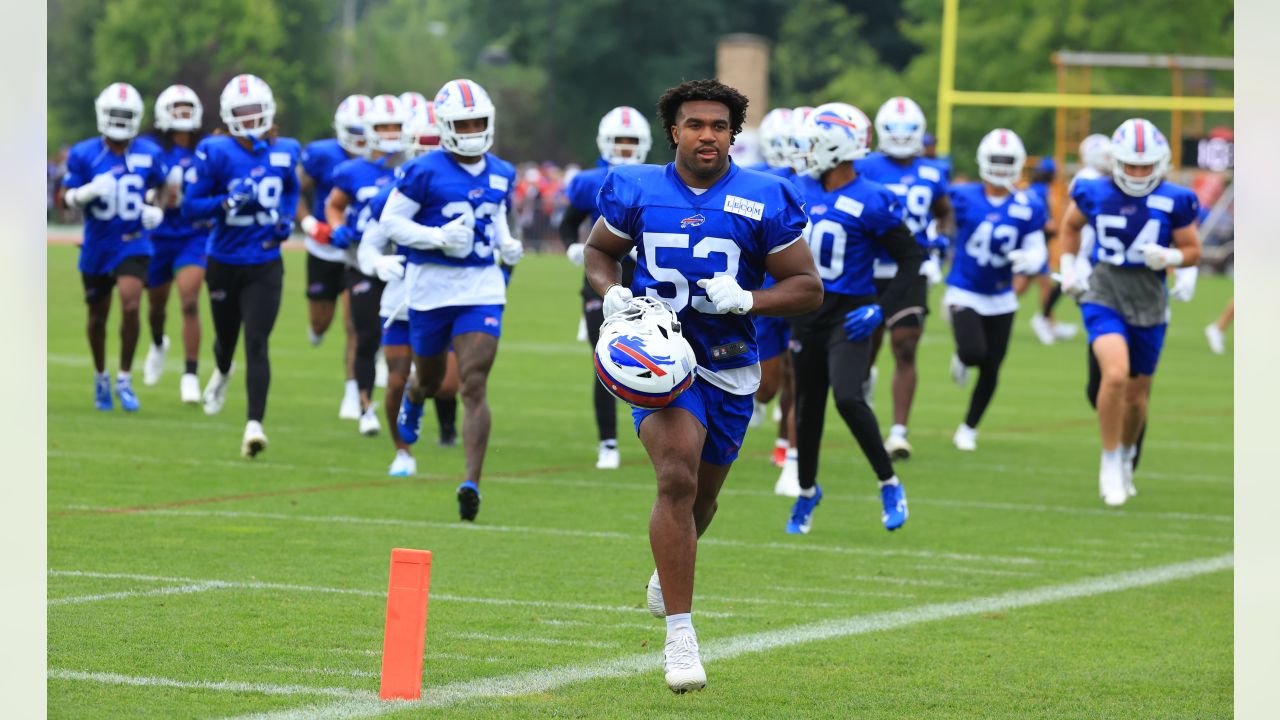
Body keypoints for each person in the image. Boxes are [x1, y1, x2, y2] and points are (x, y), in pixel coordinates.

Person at [585, 78, 822, 693]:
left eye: (718, 126)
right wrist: (612, 294)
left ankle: (669, 577)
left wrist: (749, 296)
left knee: (702, 496)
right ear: (674, 130)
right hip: (659, 355)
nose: (707, 135)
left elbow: (807, 288)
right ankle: (682, 637)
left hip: (731, 359)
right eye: (695, 124)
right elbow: (598, 253)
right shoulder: (635, 185)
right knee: (677, 477)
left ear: (734, 133)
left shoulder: (767, 195)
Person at [381, 79, 524, 521]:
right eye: (464, 123)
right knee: (427, 379)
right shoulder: (423, 170)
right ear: (444, 126)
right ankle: (414, 395)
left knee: (473, 384)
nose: (473, 129)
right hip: (429, 288)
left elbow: (494, 211)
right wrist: (437, 237)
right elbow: (391, 223)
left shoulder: (501, 170)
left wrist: (506, 242)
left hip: (481, 287)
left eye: (479, 121)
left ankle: (471, 482)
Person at [784, 102, 921, 534]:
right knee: (808, 409)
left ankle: (889, 482)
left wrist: (881, 307)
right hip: (806, 311)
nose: (806, 150)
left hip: (851, 312)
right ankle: (807, 491)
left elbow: (911, 259)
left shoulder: (873, 199)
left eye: (814, 142)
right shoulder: (797, 190)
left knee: (847, 396)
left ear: (837, 147)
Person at [1059, 118, 1201, 506]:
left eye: (1145, 166)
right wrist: (1070, 268)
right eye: (1131, 165)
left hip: (1149, 297)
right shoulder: (1091, 190)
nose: (1138, 173)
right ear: (1116, 162)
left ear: (1160, 164)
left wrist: (1172, 257)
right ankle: (1108, 460)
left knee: (1138, 399)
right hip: (1104, 289)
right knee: (1116, 375)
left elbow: (1192, 248)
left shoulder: (1176, 198)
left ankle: (1124, 455)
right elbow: (1069, 228)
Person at [183, 73, 300, 457]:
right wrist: (225, 203)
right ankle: (222, 369)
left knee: (257, 341)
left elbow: (292, 190)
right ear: (228, 116)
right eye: (242, 113)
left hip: (265, 261)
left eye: (256, 112)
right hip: (224, 260)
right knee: (226, 342)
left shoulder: (286, 150)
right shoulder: (214, 150)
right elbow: (190, 207)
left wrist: (286, 219)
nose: (251, 121)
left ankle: (254, 425)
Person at [358, 107, 459, 476]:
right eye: (424, 144)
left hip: (447, 295)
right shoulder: (392, 191)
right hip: (401, 300)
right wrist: (377, 263)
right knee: (396, 377)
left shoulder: (459, 188)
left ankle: (420, 399)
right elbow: (369, 244)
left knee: (446, 385)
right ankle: (402, 451)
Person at [58, 82, 169, 412]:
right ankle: (101, 376)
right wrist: (84, 194)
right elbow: (62, 200)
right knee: (97, 317)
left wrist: (157, 209)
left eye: (126, 115)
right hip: (96, 245)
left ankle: (124, 377)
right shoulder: (84, 153)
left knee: (131, 304)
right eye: (115, 114)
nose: (120, 122)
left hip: (134, 243)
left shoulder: (149, 153)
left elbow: (163, 187)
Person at [857, 96, 953, 459]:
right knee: (866, 349)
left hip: (909, 269)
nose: (901, 137)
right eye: (894, 130)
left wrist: (940, 237)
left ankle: (898, 431)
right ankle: (866, 384)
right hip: (868, 268)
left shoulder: (933, 171)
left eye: (908, 130)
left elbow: (943, 211)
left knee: (907, 344)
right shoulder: (865, 167)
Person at [560, 105, 652, 469]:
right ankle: (609, 443)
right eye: (619, 141)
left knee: (655, 359)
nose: (626, 148)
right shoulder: (588, 181)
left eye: (632, 141)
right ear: (604, 143)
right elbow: (569, 223)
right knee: (604, 362)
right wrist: (572, 245)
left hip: (645, 282)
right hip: (601, 283)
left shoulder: (655, 179)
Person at [944, 129, 1048, 451]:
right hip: (964, 288)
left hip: (1001, 295)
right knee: (974, 353)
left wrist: (1028, 260)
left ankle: (968, 428)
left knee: (991, 367)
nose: (1002, 168)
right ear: (983, 162)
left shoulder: (1028, 203)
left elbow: (1038, 249)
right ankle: (961, 356)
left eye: (1008, 161)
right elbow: (938, 220)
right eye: (996, 161)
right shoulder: (962, 196)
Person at [326, 94, 410, 436]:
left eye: (396, 126)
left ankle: (404, 403)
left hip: (406, 263)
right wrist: (336, 227)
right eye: (384, 127)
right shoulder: (351, 171)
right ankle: (364, 406)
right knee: (365, 335)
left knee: (410, 340)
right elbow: (334, 205)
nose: (390, 133)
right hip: (363, 260)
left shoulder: (413, 166)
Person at [298, 94, 370, 420]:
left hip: (360, 250)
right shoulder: (321, 154)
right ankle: (317, 331)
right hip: (324, 246)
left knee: (355, 323)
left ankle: (353, 393)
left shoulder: (381, 158)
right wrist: (309, 223)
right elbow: (294, 187)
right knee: (320, 321)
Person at [140, 84, 208, 403]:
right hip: (158, 235)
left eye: (187, 109)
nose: (183, 116)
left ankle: (190, 375)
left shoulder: (207, 149)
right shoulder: (151, 149)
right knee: (156, 307)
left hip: (193, 234)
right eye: (176, 109)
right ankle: (157, 343)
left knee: (189, 300)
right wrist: (152, 199)